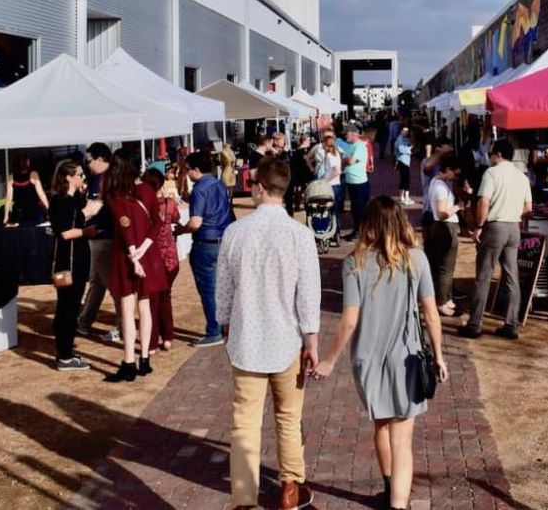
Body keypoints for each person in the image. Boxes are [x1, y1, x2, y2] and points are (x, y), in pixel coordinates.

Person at [312, 196, 448, 510]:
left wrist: (330, 360)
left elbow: (349, 320)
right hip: (407, 357)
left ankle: (389, 489)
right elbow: (431, 313)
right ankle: (398, 503)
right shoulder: (417, 259)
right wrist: (439, 355)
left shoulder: (355, 262)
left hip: (367, 357)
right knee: (403, 439)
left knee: (381, 425)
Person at [216, 156, 321, 510]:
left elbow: (224, 289)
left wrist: (226, 325)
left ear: (259, 187)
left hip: (247, 338)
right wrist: (312, 339)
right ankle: (291, 485)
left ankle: (244, 498)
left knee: (244, 420)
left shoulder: (235, 232)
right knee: (288, 416)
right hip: (287, 338)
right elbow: (308, 294)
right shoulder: (299, 235)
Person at [460, 138, 532, 340]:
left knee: (483, 276)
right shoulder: (521, 176)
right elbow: (528, 207)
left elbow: (484, 201)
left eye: (492, 154)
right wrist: (513, 212)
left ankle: (475, 323)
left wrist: (479, 225)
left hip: (494, 226)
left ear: (498, 154)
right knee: (511, 276)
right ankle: (511, 324)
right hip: (513, 227)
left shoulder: (491, 173)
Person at [105, 157, 168, 382]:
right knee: (145, 307)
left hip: (126, 257)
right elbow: (158, 223)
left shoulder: (115, 196)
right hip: (147, 255)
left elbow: (124, 228)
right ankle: (144, 359)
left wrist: (134, 255)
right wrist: (143, 250)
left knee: (127, 309)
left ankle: (128, 361)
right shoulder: (148, 191)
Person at [174, 150, 235, 347]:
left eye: (188, 170)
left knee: (208, 290)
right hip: (223, 239)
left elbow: (195, 222)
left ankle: (213, 330)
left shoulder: (200, 189)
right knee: (225, 288)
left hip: (205, 242)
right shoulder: (220, 185)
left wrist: (181, 230)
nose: (187, 173)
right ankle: (227, 327)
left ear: (196, 170)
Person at [48, 160, 94, 371]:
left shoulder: (69, 199)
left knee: (67, 304)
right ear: (68, 177)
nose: (83, 178)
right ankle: (64, 356)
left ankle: (64, 350)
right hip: (68, 263)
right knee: (69, 306)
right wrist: (87, 232)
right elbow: (65, 232)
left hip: (68, 260)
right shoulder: (63, 201)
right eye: (80, 174)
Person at [77, 143, 120, 342]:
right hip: (107, 236)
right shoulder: (114, 176)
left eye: (89, 161)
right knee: (99, 282)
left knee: (113, 284)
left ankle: (122, 325)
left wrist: (73, 221)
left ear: (100, 159)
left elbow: (93, 208)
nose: (88, 165)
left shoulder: (100, 180)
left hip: (102, 237)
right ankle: (84, 322)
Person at [142, 167, 180, 352]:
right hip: (170, 257)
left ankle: (151, 342)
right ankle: (168, 336)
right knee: (165, 297)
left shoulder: (143, 206)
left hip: (153, 257)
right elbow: (176, 218)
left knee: (152, 301)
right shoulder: (169, 203)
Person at [425, 155, 462, 317]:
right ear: (447, 170)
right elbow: (441, 213)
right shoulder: (440, 187)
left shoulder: (437, 182)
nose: (456, 177)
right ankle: (442, 302)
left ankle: (446, 298)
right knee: (445, 268)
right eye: (455, 173)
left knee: (443, 267)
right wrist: (458, 207)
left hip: (440, 227)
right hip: (444, 227)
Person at [3, 151, 48, 225]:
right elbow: (41, 195)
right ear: (27, 162)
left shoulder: (11, 177)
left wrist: (6, 216)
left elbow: (8, 198)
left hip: (18, 214)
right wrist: (49, 209)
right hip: (34, 212)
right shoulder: (33, 175)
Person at [342, 125, 370, 242]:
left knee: (359, 209)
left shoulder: (359, 146)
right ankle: (357, 230)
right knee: (354, 208)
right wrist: (345, 160)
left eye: (347, 133)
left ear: (354, 134)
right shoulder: (351, 146)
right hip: (352, 182)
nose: (345, 135)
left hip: (359, 183)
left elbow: (350, 160)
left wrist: (345, 160)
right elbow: (345, 160)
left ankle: (360, 232)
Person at [393, 126, 413, 206]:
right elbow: (401, 150)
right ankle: (405, 197)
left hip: (406, 161)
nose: (406, 132)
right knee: (406, 179)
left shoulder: (404, 139)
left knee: (404, 179)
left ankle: (403, 197)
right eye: (404, 131)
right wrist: (410, 148)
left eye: (407, 131)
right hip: (403, 161)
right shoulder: (400, 139)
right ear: (401, 131)